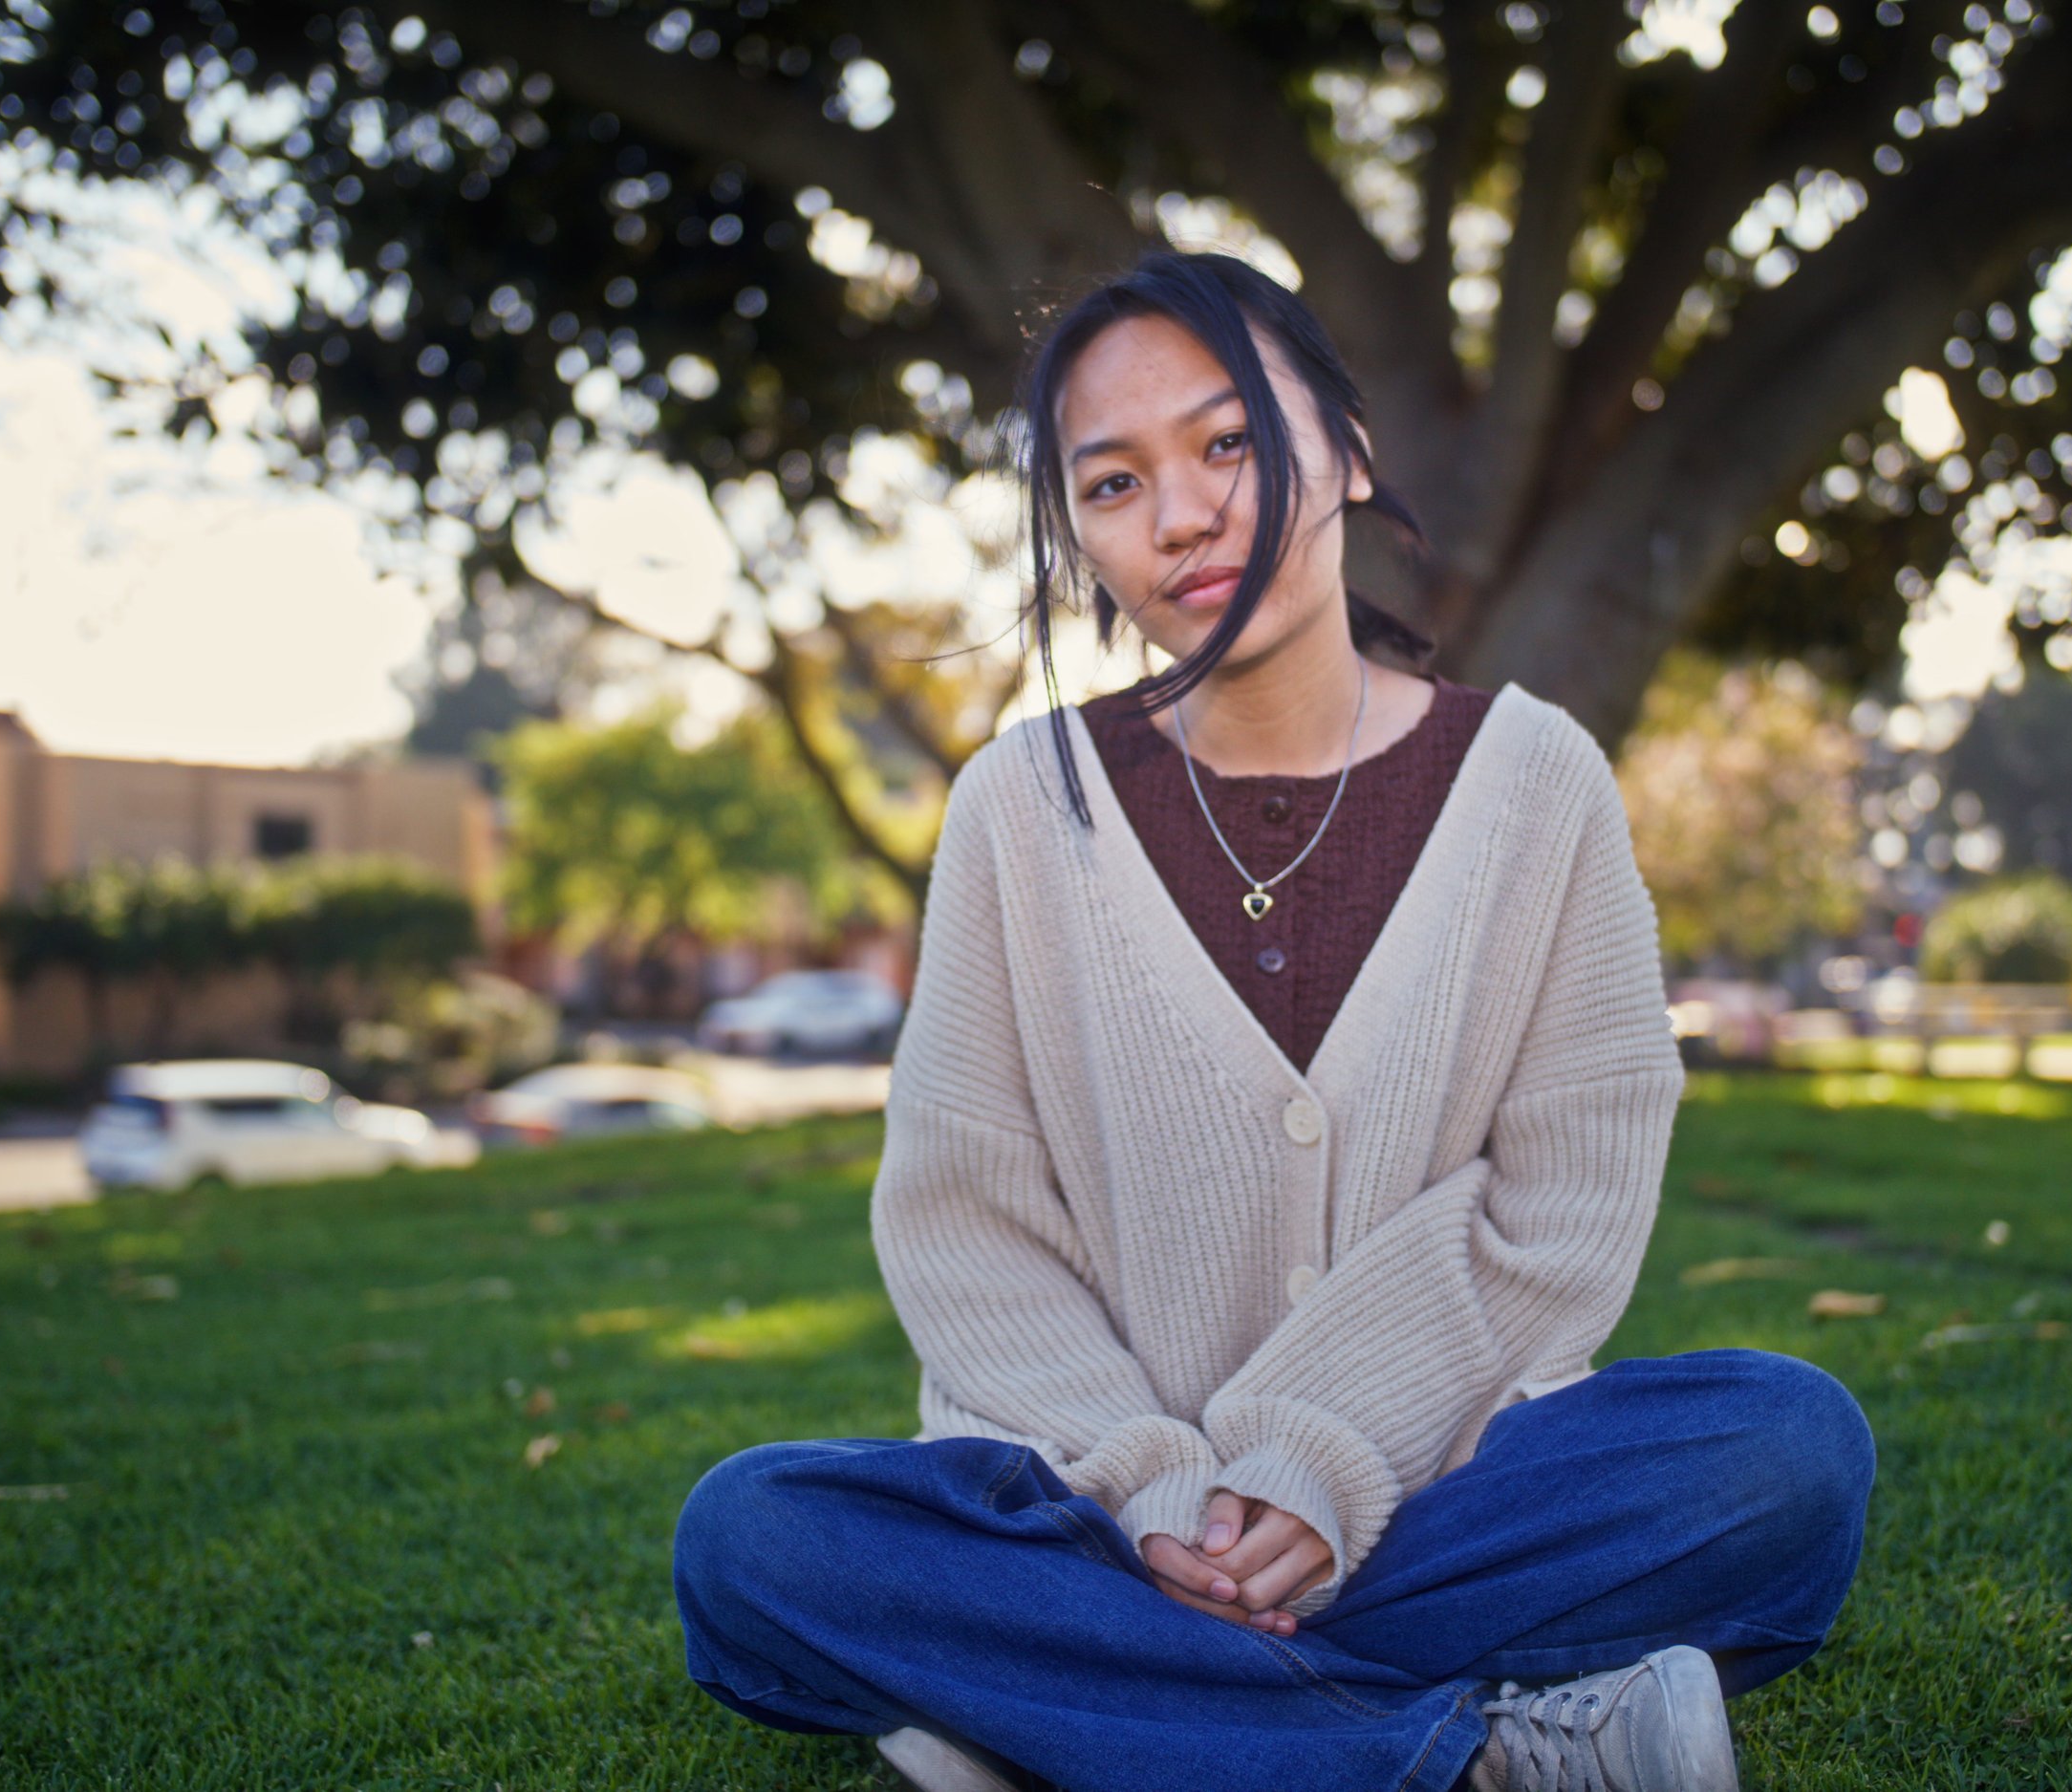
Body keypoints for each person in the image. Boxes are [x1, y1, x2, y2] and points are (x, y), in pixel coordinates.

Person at [672, 249, 1876, 1792]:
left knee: (1783, 1455)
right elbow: (971, 1233)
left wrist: (1322, 1457)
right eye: (1112, 485)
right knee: (757, 1543)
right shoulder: (1017, 811)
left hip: (1429, 1496)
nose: (1179, 516)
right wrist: (1161, 1490)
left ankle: (1066, 1708)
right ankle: (1479, 1759)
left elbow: (1559, 1208)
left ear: (1350, 453)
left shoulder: (1539, 783)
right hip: (1108, 1510)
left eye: (1227, 442)